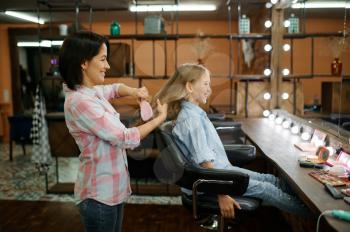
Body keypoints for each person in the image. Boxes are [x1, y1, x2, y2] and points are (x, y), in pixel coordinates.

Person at [154, 63, 309, 219]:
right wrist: (222, 194)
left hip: (222, 171)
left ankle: (309, 209)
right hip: (212, 182)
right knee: (267, 189)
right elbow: (204, 163)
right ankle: (318, 216)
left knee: (270, 180)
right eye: (206, 84)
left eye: (210, 84)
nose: (210, 89)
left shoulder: (194, 114)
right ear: (189, 87)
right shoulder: (190, 120)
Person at [59, 31, 167, 232]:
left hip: (112, 191)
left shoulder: (91, 92)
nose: (107, 66)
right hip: (98, 195)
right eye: (103, 59)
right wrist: (159, 119)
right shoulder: (80, 102)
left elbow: (115, 88)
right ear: (84, 63)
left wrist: (135, 92)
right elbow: (125, 138)